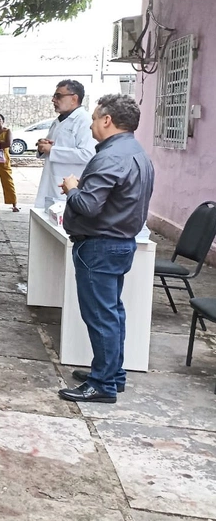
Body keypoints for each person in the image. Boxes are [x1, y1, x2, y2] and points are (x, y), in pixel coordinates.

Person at [58, 94, 154, 404]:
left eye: (95, 117)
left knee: (101, 316)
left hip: (100, 245)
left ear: (107, 120)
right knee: (112, 314)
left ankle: (103, 384)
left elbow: (88, 205)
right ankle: (112, 373)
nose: (91, 123)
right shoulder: (137, 152)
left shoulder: (111, 156)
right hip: (119, 243)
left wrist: (73, 188)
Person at [35, 79, 98, 209]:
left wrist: (52, 150)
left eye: (58, 96)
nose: (53, 100)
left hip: (67, 188)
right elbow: (50, 147)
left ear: (74, 99)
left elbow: (88, 154)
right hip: (50, 183)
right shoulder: (58, 121)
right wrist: (42, 146)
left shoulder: (84, 121)